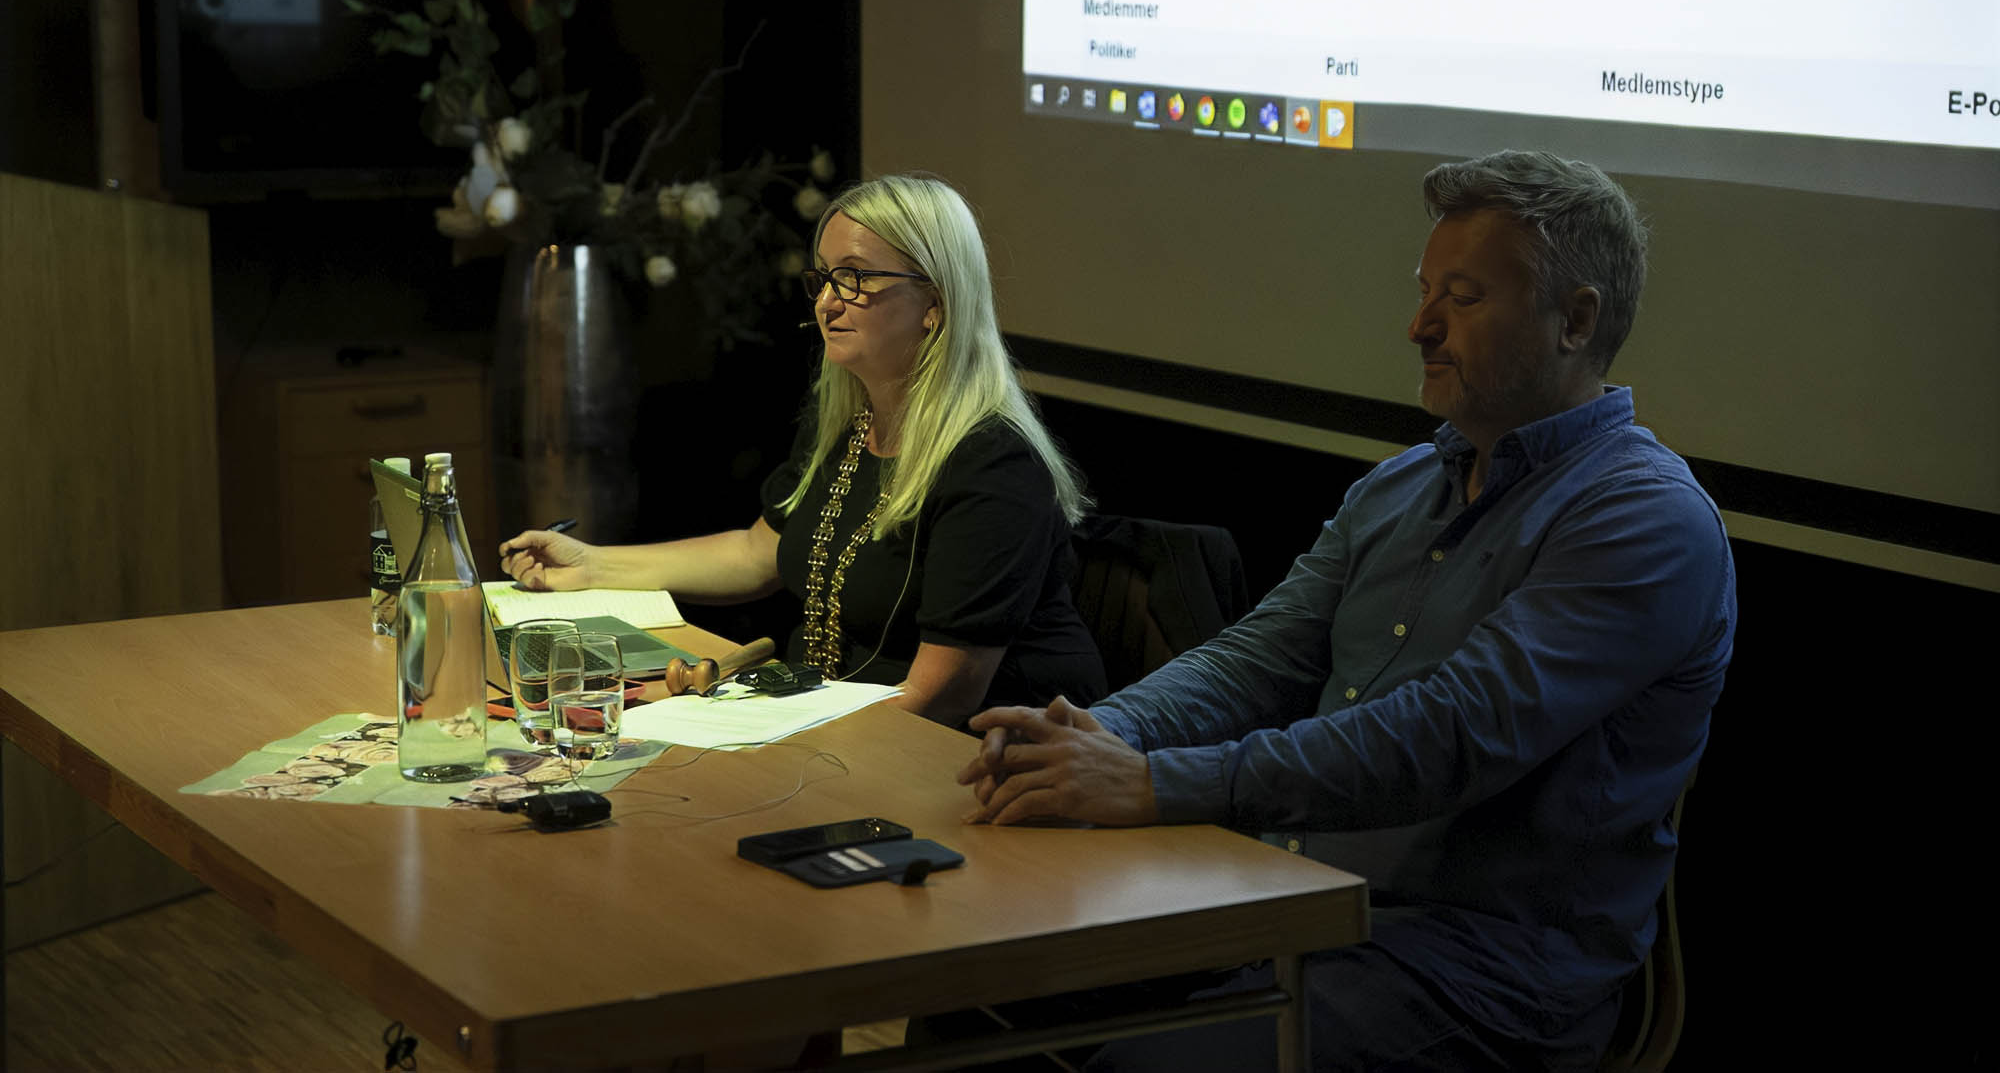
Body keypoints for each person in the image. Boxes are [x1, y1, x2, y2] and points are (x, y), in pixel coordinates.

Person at [957, 150, 1737, 1069]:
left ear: (1575, 320)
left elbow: (1449, 737)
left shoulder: (1646, 518)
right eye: (1422, 292)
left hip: (1475, 969)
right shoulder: (1403, 484)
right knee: (962, 985)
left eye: (1463, 297)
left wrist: (1158, 784)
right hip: (1290, 897)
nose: (1419, 327)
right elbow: (1256, 660)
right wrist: (1087, 736)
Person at [501, 174, 1106, 727]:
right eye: (824, 277)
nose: (827, 302)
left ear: (936, 304)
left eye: (858, 278)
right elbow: (756, 553)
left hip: (968, 762)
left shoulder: (993, 465)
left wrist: (773, 736)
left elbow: (939, 700)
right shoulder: (851, 424)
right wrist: (592, 565)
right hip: (831, 727)